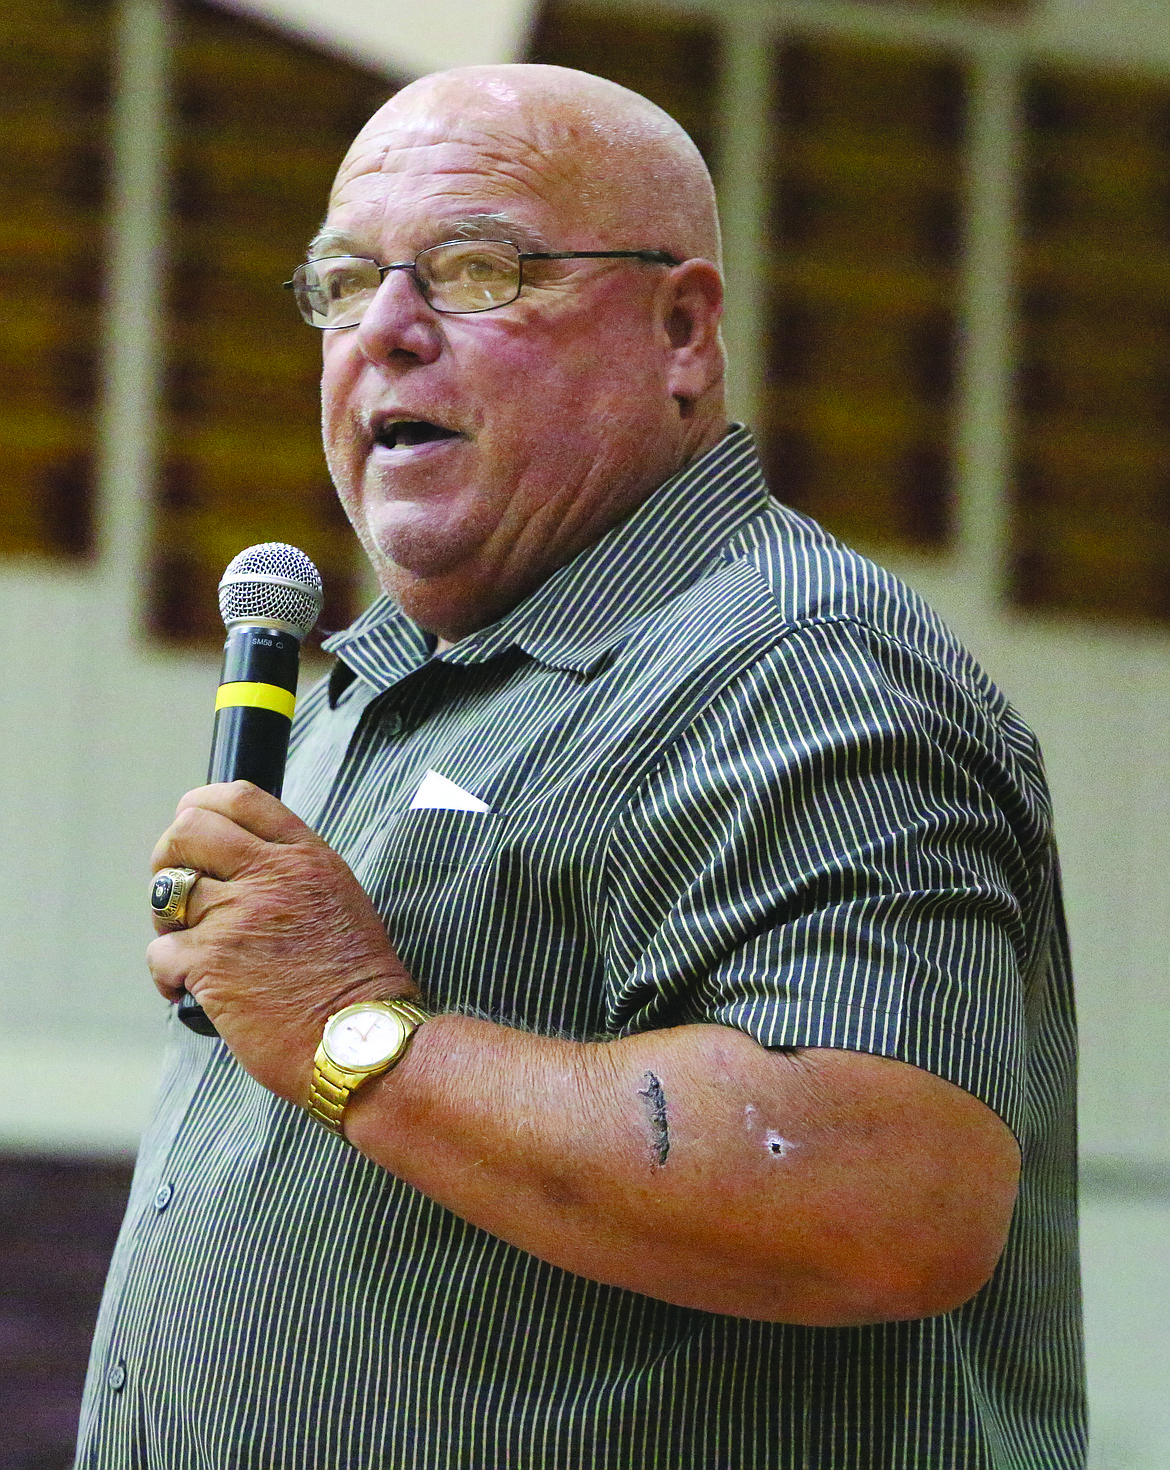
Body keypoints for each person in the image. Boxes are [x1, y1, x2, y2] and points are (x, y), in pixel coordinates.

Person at [76, 63, 1085, 1469]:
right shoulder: (394, 682)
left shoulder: (790, 665)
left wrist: (356, 1032)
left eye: (478, 271)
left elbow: (886, 1200)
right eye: (343, 283)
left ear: (680, 329)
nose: (386, 331)